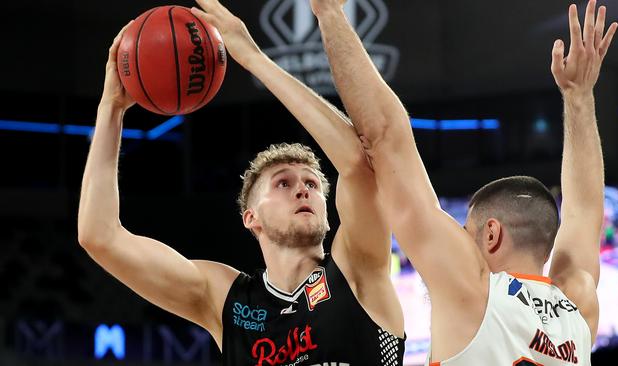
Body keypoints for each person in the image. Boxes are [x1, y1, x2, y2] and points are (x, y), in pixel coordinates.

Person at [77, 2, 405, 364]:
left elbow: (358, 164)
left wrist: (252, 57)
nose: (303, 189)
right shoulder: (225, 300)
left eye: (313, 185)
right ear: (251, 218)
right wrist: (112, 106)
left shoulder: (356, 269)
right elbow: (99, 236)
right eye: (283, 183)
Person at [310, 0, 616, 364]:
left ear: (491, 234)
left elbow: (386, 135)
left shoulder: (471, 287)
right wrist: (580, 97)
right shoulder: (578, 304)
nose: (460, 240)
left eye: (465, 231)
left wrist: (329, 13)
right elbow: (583, 210)